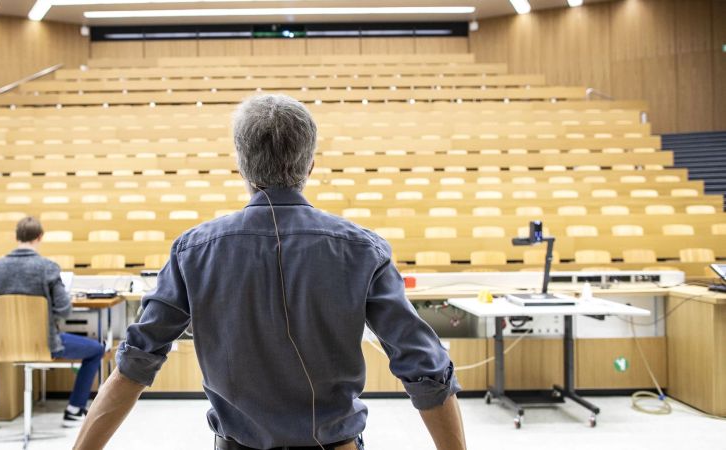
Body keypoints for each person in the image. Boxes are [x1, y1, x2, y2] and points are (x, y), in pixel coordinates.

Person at [75, 94, 467, 450]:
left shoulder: (192, 251)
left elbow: (134, 364)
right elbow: (426, 370)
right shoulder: (364, 249)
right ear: (310, 164)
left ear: (241, 164)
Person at [0, 217, 104, 430]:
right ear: (40, 237)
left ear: (15, 237)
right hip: (45, 345)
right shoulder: (48, 268)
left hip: (3, 345)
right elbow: (64, 310)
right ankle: (74, 411)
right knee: (96, 349)